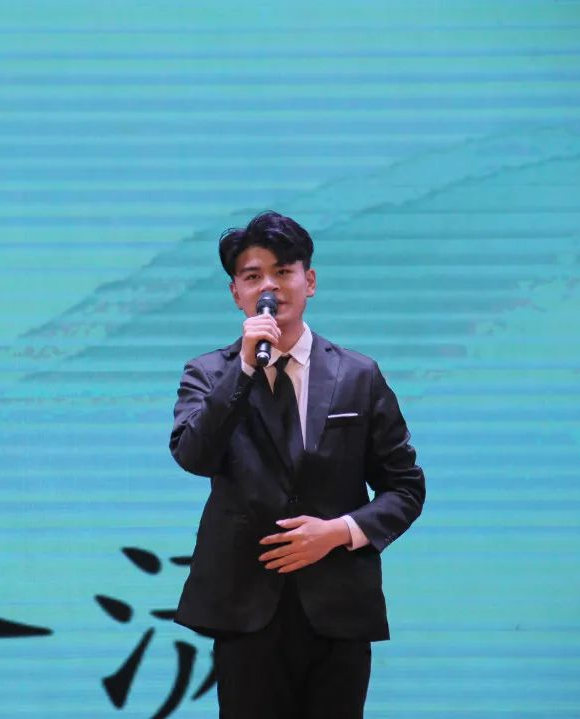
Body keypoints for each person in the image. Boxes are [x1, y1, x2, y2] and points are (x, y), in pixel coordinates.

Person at [170, 210, 425, 718]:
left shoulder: (358, 375)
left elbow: (405, 488)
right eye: (253, 276)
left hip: (337, 607)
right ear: (236, 294)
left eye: (283, 271)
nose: (269, 286)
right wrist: (245, 368)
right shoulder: (210, 373)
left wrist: (338, 532)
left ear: (309, 281)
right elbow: (194, 455)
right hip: (246, 608)